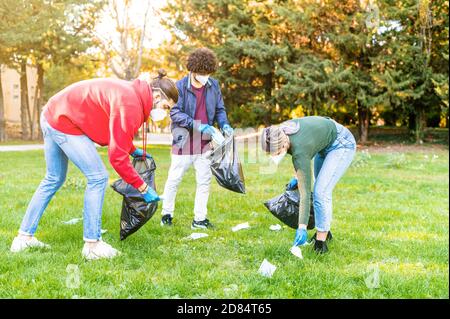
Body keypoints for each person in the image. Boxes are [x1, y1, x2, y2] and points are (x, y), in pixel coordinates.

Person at [10, 70, 178, 260]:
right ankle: (92, 245)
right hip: (64, 121)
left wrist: (131, 149)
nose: (165, 114)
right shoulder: (131, 103)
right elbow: (117, 158)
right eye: (165, 107)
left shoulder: (132, 93)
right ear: (156, 95)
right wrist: (143, 187)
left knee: (53, 178)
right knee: (98, 177)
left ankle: (23, 238)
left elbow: (114, 129)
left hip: (52, 112)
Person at [160, 47, 234, 229]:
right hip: (183, 141)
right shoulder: (179, 87)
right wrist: (197, 124)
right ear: (192, 70)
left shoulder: (214, 85)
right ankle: (166, 214)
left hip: (205, 143)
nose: (205, 76)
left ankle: (199, 219)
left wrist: (224, 124)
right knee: (174, 178)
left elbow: (219, 109)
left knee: (204, 180)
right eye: (202, 73)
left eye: (208, 73)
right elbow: (175, 113)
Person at [261, 116, 356, 253]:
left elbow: (304, 193)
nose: (276, 156)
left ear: (283, 144)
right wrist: (297, 177)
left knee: (321, 192)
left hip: (342, 143)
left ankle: (321, 244)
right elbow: (304, 152)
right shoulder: (280, 132)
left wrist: (302, 227)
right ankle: (325, 231)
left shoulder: (299, 149)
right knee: (320, 191)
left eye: (277, 152)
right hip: (324, 144)